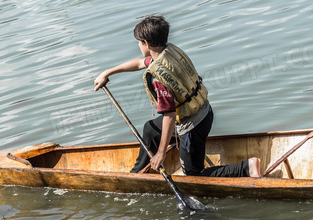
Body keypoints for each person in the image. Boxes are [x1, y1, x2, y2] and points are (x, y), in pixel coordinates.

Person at [93, 15, 261, 177]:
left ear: (147, 43)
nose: (138, 45)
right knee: (151, 130)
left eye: (139, 42)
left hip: (192, 126)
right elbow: (139, 63)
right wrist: (107, 72)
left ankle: (246, 167)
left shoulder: (158, 78)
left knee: (193, 174)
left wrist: (160, 153)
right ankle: (137, 174)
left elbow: (170, 115)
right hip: (204, 112)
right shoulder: (167, 52)